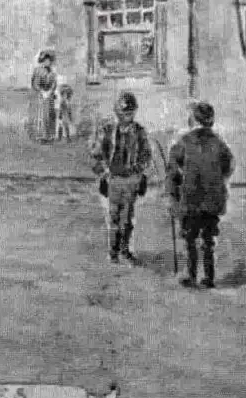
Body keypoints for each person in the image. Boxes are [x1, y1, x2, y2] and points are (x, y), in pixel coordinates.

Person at [167, 102, 234, 289]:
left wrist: (172, 194)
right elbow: (228, 165)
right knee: (208, 240)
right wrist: (218, 181)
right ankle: (209, 278)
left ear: (193, 120)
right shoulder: (219, 143)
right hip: (212, 201)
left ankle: (191, 275)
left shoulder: (184, 142)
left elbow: (172, 170)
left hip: (190, 199)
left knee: (190, 239)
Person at [91, 91, 152, 264]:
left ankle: (125, 250)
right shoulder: (108, 131)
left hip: (130, 180)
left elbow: (146, 155)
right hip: (114, 179)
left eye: (131, 112)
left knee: (127, 218)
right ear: (117, 112)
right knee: (113, 217)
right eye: (125, 112)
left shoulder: (140, 132)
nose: (128, 116)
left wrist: (139, 172)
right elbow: (97, 154)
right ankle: (113, 251)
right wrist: (104, 172)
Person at [28, 50, 58, 143]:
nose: (48, 62)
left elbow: (54, 84)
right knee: (41, 115)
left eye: (49, 61)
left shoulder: (52, 72)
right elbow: (35, 84)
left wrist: (50, 92)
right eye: (46, 60)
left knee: (50, 115)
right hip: (40, 96)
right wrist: (42, 92)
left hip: (49, 96)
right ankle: (40, 136)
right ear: (43, 60)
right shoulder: (38, 71)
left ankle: (49, 135)